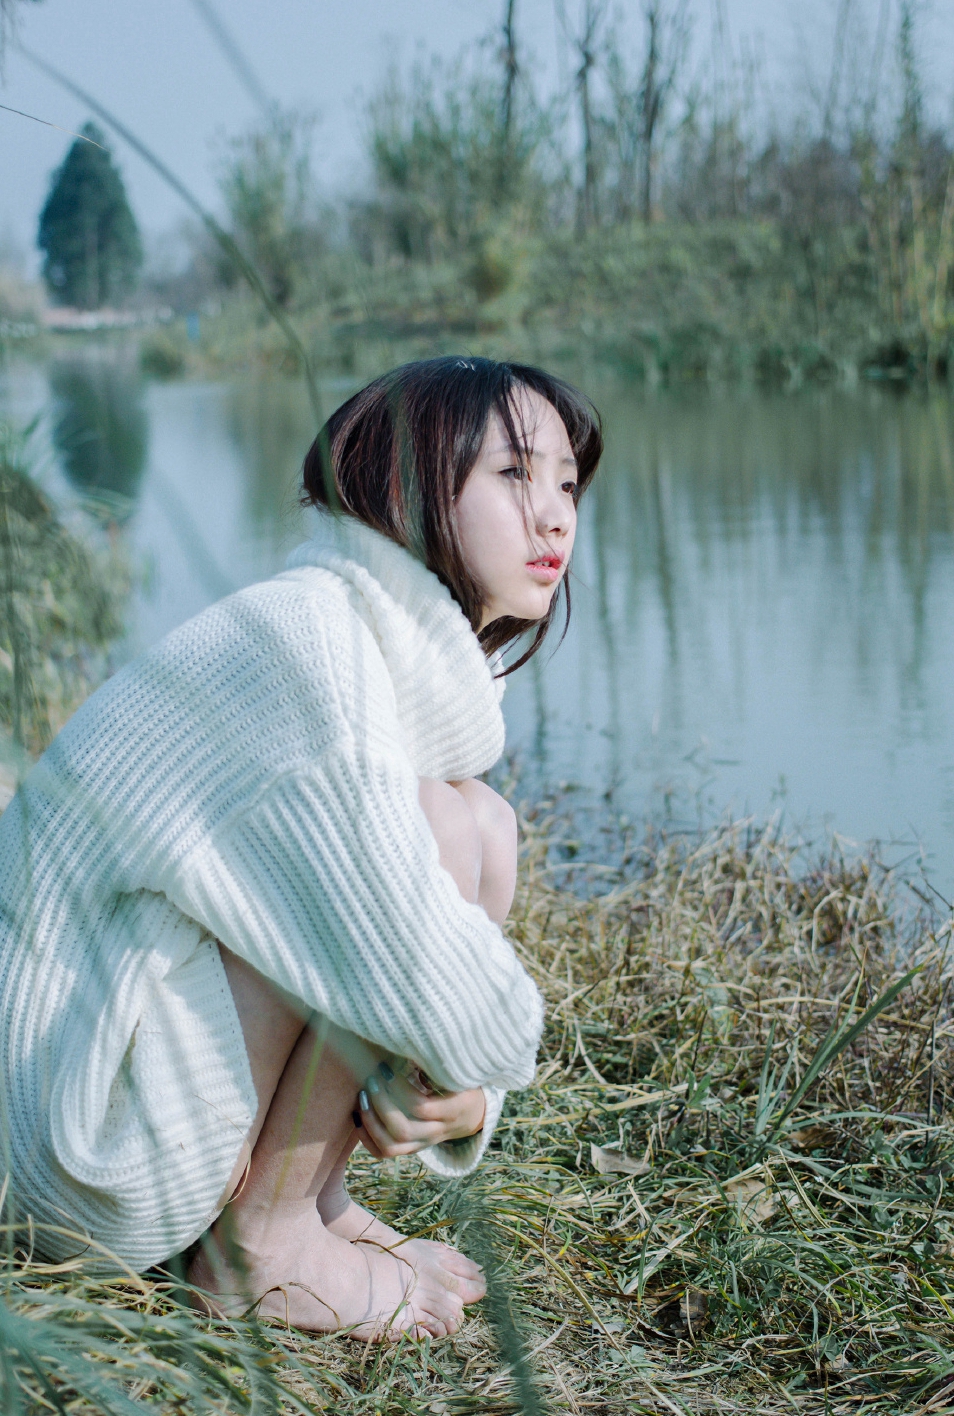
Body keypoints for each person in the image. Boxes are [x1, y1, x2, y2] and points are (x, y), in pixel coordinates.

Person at [0, 356, 602, 1339]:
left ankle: (306, 1202)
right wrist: (476, 1082)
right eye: (514, 475)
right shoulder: (310, 644)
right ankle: (261, 1251)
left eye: (567, 484)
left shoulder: (373, 642)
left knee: (480, 825)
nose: (556, 516)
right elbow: (384, 917)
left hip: (98, 1060)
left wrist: (459, 1088)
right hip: (63, 1136)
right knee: (434, 835)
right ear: (409, 486)